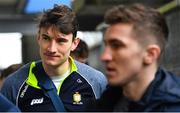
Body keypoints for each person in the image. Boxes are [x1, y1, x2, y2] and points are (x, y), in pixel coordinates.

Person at [1, 5, 107, 112]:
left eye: (61, 41)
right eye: (46, 38)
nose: (52, 49)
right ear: (38, 38)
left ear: (74, 43)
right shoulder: (14, 85)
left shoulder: (95, 81)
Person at [98, 3, 180, 112]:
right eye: (106, 45)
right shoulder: (109, 100)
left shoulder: (173, 107)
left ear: (150, 54)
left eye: (117, 45)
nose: (104, 56)